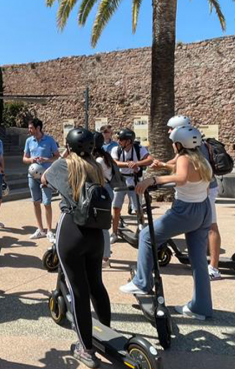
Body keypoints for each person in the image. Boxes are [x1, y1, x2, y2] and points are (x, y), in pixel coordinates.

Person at [41, 127, 120, 368]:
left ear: (70, 146)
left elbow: (44, 178)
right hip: (96, 233)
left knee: (78, 290)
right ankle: (106, 333)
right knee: (96, 283)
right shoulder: (96, 166)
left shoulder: (64, 165)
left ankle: (85, 349)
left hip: (72, 231)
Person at [119, 125, 213, 321]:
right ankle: (201, 307)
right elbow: (183, 171)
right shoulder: (201, 159)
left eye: (173, 143)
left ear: (179, 144)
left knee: (146, 236)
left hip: (186, 211)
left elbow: (181, 177)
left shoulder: (185, 158)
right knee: (198, 263)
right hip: (203, 210)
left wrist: (153, 180)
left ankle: (142, 282)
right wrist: (163, 165)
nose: (172, 146)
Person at [153, 115, 223, 280]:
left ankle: (214, 267)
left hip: (206, 190)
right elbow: (178, 162)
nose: (169, 132)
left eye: (171, 129)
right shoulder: (186, 145)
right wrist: (162, 164)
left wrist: (158, 176)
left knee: (211, 226)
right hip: (194, 191)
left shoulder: (196, 147)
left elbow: (187, 170)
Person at [109, 129, 153, 243]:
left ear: (128, 141)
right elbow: (115, 163)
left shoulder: (139, 149)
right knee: (116, 207)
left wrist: (137, 163)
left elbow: (150, 159)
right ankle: (114, 232)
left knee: (138, 208)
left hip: (134, 180)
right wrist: (129, 164)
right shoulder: (116, 149)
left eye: (121, 139)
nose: (118, 141)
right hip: (121, 180)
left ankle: (141, 230)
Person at [22, 118, 61, 239]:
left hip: (46, 176)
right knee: (35, 202)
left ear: (38, 128)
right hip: (32, 175)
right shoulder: (29, 141)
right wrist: (31, 160)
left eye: (31, 128)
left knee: (47, 202)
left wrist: (46, 160)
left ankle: (49, 230)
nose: (29, 130)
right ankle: (40, 229)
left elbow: (57, 157)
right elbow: (24, 158)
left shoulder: (50, 140)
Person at [92, 132, 120, 268]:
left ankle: (105, 257)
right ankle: (101, 253)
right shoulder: (104, 155)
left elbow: (94, 177)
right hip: (106, 190)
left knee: (102, 226)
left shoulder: (98, 160)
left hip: (103, 191)